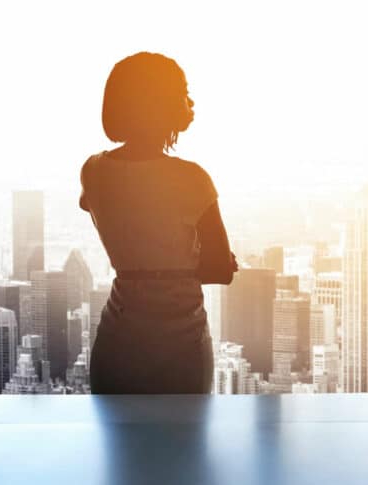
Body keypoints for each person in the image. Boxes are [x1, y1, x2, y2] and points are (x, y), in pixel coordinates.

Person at [80, 52, 237, 394]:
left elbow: (93, 206)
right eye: (183, 91)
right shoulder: (192, 179)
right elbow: (221, 269)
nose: (191, 101)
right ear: (159, 102)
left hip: (118, 337)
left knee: (118, 444)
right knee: (184, 443)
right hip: (181, 341)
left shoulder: (93, 170)